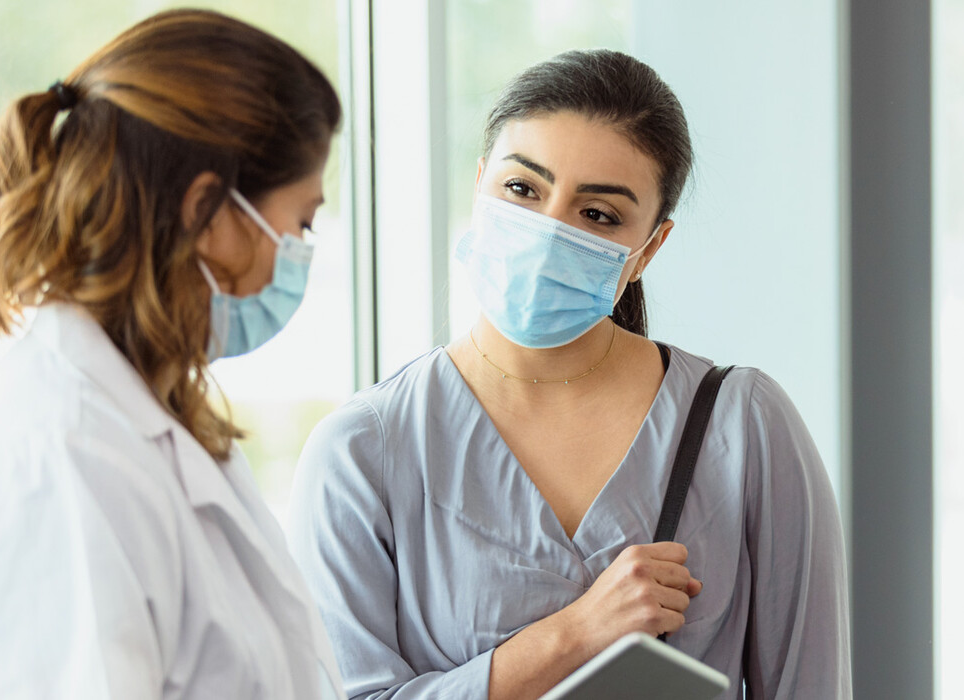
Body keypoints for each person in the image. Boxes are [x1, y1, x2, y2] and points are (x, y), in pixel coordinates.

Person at [288, 49, 851, 699]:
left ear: (648, 248)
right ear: (480, 184)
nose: (546, 231)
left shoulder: (742, 425)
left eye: (598, 215)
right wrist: (578, 633)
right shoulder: (363, 451)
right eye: (522, 189)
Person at [0, 10, 345, 698]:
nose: (302, 251)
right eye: (301, 222)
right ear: (209, 213)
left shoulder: (145, 411)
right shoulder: (63, 454)